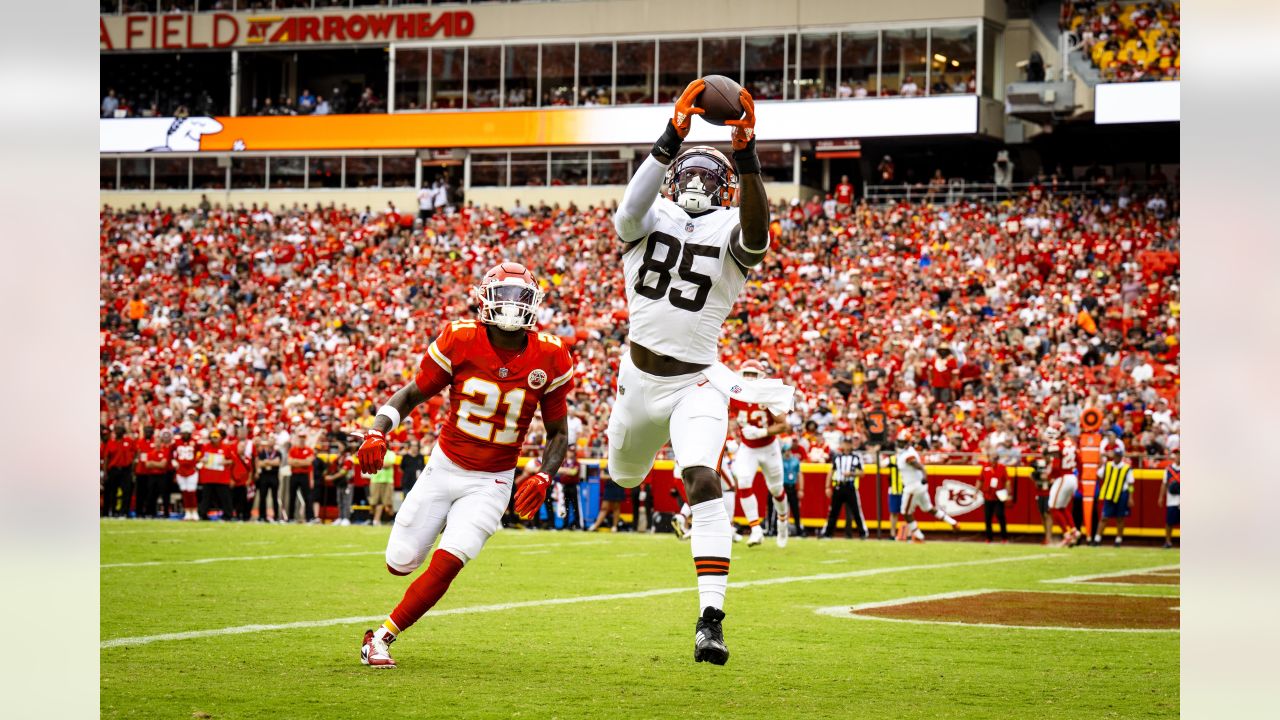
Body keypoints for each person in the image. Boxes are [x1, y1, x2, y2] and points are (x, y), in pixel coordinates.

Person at [608, 77, 789, 666]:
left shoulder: (733, 228)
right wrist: (670, 135)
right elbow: (627, 209)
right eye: (689, 171)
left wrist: (747, 151)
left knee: (703, 478)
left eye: (713, 175)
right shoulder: (648, 215)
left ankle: (710, 619)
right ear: (671, 176)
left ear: (728, 187)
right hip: (638, 382)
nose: (697, 180)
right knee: (625, 478)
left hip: (698, 381)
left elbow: (758, 235)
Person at [356, 261, 574, 669]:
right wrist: (378, 430)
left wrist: (546, 472)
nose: (511, 306)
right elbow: (410, 395)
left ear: (534, 303)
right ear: (485, 299)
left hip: (492, 480)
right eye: (504, 295)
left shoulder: (552, 354)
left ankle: (381, 638)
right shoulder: (460, 339)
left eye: (520, 297)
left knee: (451, 559)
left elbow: (558, 433)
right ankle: (437, 520)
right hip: (445, 466)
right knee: (399, 562)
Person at [729, 359, 791, 547]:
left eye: (753, 374)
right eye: (746, 374)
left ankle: (782, 521)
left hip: (769, 447)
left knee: (776, 489)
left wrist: (762, 432)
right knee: (744, 481)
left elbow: (784, 425)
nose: (749, 378)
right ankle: (756, 529)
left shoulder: (768, 396)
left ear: (761, 377)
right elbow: (727, 417)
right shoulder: (734, 394)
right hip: (748, 447)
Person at [896, 430, 958, 542]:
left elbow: (919, 466)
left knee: (905, 512)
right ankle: (952, 522)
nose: (899, 444)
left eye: (902, 442)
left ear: (907, 442)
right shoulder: (907, 452)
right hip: (918, 485)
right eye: (899, 442)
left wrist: (925, 475)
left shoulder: (908, 454)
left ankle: (919, 537)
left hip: (912, 487)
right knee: (929, 508)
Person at [823, 435, 867, 539]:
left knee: (856, 511)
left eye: (848, 443)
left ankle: (862, 533)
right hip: (838, 486)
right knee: (834, 511)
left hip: (850, 486)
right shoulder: (837, 457)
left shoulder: (856, 457)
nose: (847, 445)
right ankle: (828, 533)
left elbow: (862, 473)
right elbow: (831, 472)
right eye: (845, 443)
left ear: (851, 445)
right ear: (842, 445)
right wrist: (827, 487)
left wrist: (851, 474)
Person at [1045, 427, 1082, 547]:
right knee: (1062, 507)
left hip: (1063, 477)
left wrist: (1049, 476)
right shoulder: (1071, 443)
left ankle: (1066, 534)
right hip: (1072, 476)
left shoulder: (1057, 445)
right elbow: (1080, 461)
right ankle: (1074, 531)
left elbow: (1055, 466)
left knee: (1053, 507)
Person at [1094, 445, 1135, 547]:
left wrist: (1130, 497)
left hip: (1122, 494)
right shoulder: (1107, 465)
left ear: (1121, 457)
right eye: (1115, 455)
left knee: (1120, 518)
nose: (1116, 457)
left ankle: (1118, 539)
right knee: (1104, 517)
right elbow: (1099, 474)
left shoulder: (1126, 468)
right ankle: (1097, 539)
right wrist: (1100, 461)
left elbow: (1130, 484)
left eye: (1118, 456)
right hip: (1109, 493)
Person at [197, 428, 234, 521]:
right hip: (208, 477)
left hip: (222, 477)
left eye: (216, 437)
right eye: (213, 437)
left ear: (220, 438)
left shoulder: (226, 447)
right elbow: (199, 458)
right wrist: (202, 460)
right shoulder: (205, 446)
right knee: (206, 497)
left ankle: (228, 515)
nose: (214, 439)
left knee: (225, 497)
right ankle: (203, 514)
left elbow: (232, 460)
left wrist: (225, 461)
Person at [101, 424, 136, 518]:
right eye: (117, 430)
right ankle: (113, 511)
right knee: (112, 492)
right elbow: (106, 458)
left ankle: (124, 512)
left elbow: (135, 453)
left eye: (120, 429)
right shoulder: (110, 443)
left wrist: (132, 468)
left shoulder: (129, 441)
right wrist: (105, 472)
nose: (118, 431)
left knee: (126, 492)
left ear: (123, 432)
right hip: (113, 470)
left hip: (126, 470)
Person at [133, 427, 169, 519]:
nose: (148, 433)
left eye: (150, 431)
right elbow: (139, 456)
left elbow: (162, 463)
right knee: (141, 493)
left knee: (151, 494)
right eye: (146, 431)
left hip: (151, 473)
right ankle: (139, 512)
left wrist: (152, 463)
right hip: (142, 471)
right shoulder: (140, 442)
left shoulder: (157, 443)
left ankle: (151, 511)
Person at [976, 449, 1009, 543]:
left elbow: (1007, 480)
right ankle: (989, 538)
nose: (993, 459)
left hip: (999, 495)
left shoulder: (1002, 467)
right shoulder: (985, 467)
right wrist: (976, 492)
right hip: (988, 495)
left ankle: (1004, 537)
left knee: (1000, 515)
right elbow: (980, 480)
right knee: (987, 517)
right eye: (991, 457)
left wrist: (1008, 492)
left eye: (994, 457)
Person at [172, 422, 202, 521]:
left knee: (192, 492)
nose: (185, 435)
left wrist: (199, 463)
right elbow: (172, 453)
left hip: (192, 470)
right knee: (184, 492)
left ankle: (194, 511)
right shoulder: (176, 442)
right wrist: (174, 461)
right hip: (181, 470)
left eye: (187, 433)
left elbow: (202, 451)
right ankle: (187, 511)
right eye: (183, 433)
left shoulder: (196, 442)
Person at [286, 433, 315, 524]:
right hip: (294, 475)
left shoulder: (309, 450)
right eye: (300, 438)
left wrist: (296, 462)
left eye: (303, 438)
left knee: (307, 497)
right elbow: (290, 462)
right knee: (292, 497)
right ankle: (290, 517)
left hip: (304, 476)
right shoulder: (293, 450)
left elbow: (308, 462)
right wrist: (303, 461)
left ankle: (309, 517)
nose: (301, 440)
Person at [254, 435, 282, 523]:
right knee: (262, 497)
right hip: (264, 476)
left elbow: (277, 463)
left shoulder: (278, 452)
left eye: (273, 441)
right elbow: (260, 463)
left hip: (274, 476)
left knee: (275, 497)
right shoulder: (262, 452)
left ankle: (276, 516)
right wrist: (271, 462)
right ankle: (262, 516)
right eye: (270, 441)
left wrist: (266, 462)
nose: (271, 443)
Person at [369, 443, 398, 526]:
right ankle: (375, 519)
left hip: (387, 480)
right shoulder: (374, 453)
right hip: (375, 480)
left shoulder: (391, 453)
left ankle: (377, 520)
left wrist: (377, 463)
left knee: (386, 503)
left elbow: (388, 465)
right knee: (374, 502)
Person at [1158, 450, 1180, 549]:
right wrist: (1161, 497)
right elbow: (1164, 483)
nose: (1178, 457)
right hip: (1172, 499)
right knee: (1169, 522)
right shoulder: (1168, 469)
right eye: (1177, 455)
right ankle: (1168, 541)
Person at [780, 443, 803, 537]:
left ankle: (798, 530)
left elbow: (799, 474)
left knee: (795, 510)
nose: (788, 452)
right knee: (782, 510)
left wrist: (801, 489)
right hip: (783, 486)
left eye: (789, 450)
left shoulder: (795, 461)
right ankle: (780, 530)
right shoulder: (780, 461)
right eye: (786, 450)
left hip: (792, 487)